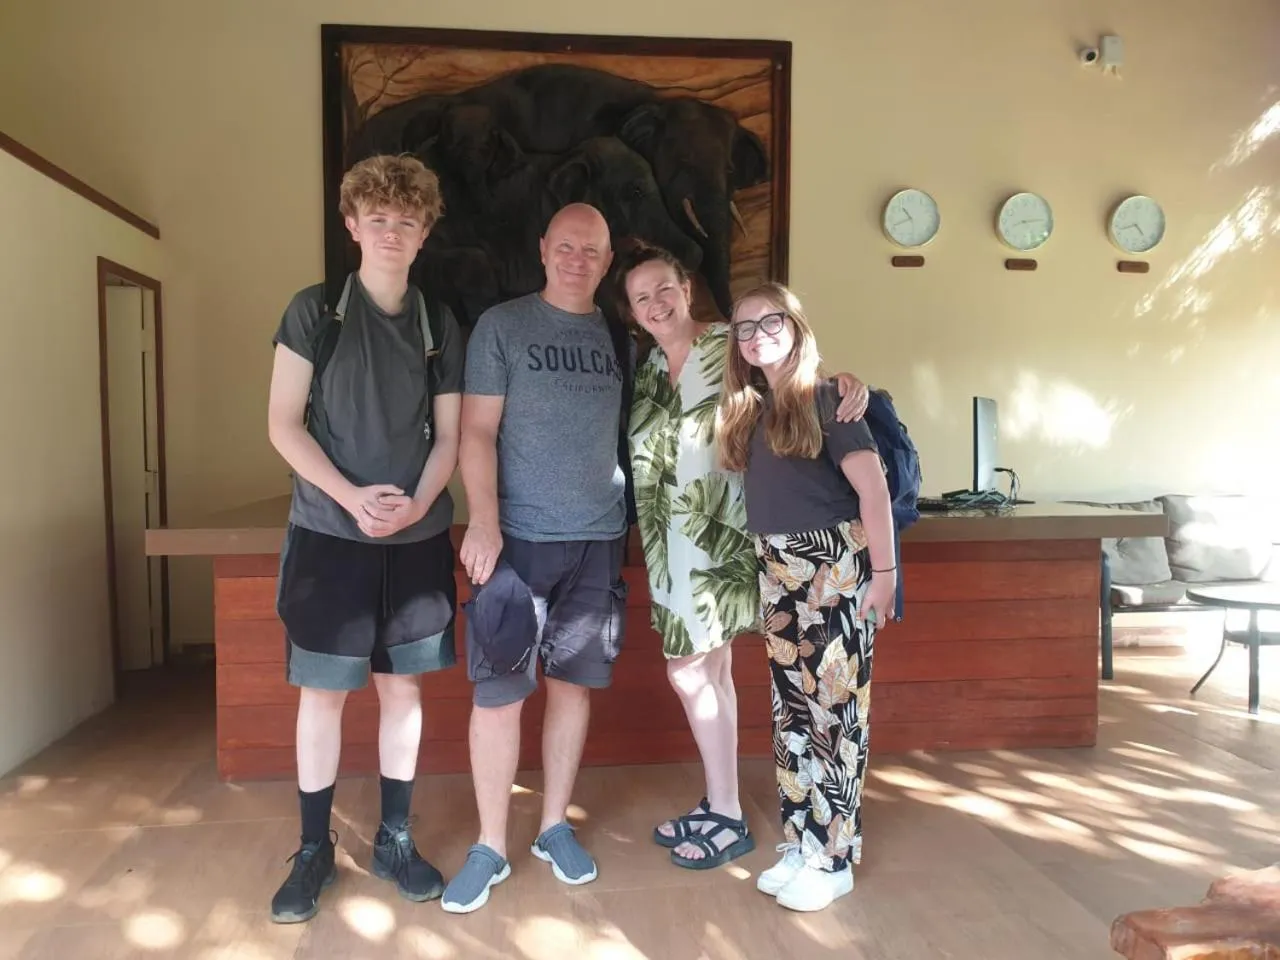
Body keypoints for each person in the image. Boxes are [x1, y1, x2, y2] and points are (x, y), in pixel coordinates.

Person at [613, 242, 869, 871]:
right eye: (642, 297)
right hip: (668, 547)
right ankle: (720, 799)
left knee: (688, 672)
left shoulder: (727, 344)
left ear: (686, 288)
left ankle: (727, 813)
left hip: (724, 540)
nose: (656, 303)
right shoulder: (647, 369)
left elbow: (791, 374)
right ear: (632, 312)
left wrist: (845, 382)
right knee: (711, 673)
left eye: (664, 288)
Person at [265, 154, 464, 923]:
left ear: (425, 233)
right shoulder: (315, 311)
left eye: (406, 222)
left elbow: (450, 436)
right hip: (328, 534)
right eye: (377, 219)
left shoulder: (438, 322)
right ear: (351, 225)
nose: (391, 233)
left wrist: (416, 506)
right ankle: (313, 848)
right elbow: (283, 425)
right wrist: (350, 498)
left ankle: (395, 840)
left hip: (415, 539)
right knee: (322, 695)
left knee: (402, 690)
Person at [441, 203, 629, 914]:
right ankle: (490, 845)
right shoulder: (503, 326)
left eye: (593, 250)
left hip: (597, 541)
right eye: (567, 246)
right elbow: (477, 431)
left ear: (608, 261)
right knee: (499, 695)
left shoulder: (621, 334)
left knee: (572, 688)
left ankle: (554, 827)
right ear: (544, 248)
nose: (579, 260)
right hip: (515, 543)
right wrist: (483, 522)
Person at [716, 282, 896, 913]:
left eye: (771, 321)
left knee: (836, 714)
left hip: (834, 569)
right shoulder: (754, 410)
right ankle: (802, 840)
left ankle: (835, 856)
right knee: (793, 710)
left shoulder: (829, 400)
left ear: (796, 327)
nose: (757, 334)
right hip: (777, 570)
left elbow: (873, 492)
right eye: (744, 327)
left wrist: (885, 574)